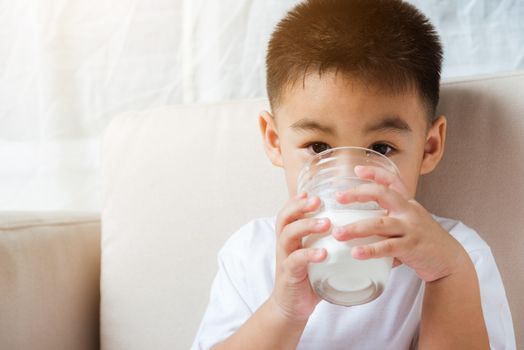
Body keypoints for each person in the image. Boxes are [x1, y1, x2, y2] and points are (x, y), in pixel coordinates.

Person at [192, 0, 515, 349]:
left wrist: (447, 277)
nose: (348, 180)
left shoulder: (459, 255)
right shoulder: (251, 256)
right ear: (274, 141)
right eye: (318, 148)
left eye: (380, 149)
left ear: (429, 147)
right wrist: (285, 310)